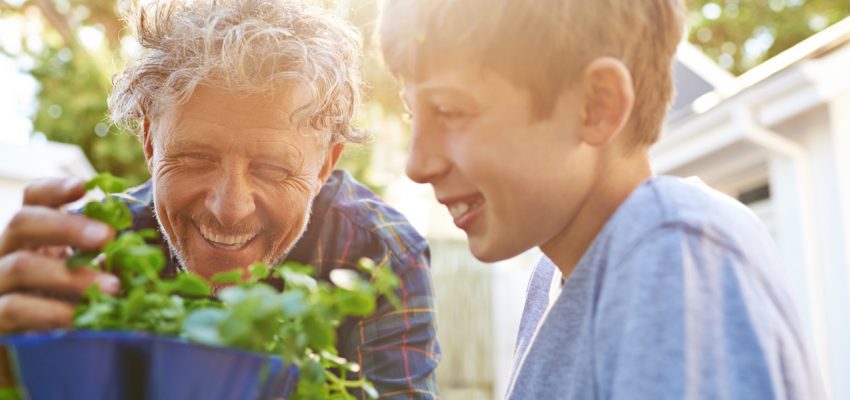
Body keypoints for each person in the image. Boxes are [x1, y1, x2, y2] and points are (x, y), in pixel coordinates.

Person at [379, 0, 824, 398]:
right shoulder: (555, 276)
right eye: (411, 112)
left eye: (450, 111)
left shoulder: (671, 250)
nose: (418, 164)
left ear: (597, 105)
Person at [0, 1, 439, 398]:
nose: (230, 209)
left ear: (325, 164)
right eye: (195, 158)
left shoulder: (379, 253)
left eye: (272, 169)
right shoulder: (83, 254)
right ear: (151, 141)